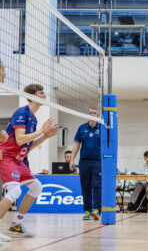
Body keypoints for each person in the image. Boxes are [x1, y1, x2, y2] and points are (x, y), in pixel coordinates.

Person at [0, 84, 58, 240]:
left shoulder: (33, 117)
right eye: (41, 93)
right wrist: (42, 131)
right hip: (7, 158)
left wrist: (45, 136)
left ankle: (17, 224)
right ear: (32, 96)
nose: (44, 95)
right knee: (14, 191)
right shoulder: (22, 112)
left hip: (19, 160)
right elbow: (19, 140)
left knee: (37, 187)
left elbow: (27, 146)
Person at [69, 107, 102, 221]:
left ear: (97, 115)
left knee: (97, 186)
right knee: (85, 187)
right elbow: (76, 145)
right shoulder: (82, 128)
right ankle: (87, 211)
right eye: (90, 113)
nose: (92, 114)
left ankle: (97, 210)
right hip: (84, 162)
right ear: (87, 115)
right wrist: (72, 160)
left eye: (94, 113)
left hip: (97, 162)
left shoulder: (102, 128)